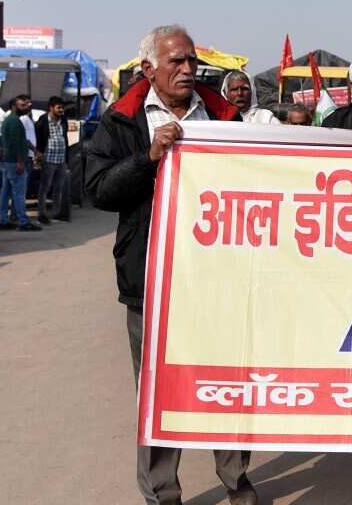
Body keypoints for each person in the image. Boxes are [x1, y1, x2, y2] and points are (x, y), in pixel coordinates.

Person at [86, 25, 257, 505]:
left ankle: (236, 477)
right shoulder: (122, 121)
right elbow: (98, 189)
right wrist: (148, 157)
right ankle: (163, 490)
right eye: (176, 62)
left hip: (216, 276)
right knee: (158, 393)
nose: (187, 70)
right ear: (148, 70)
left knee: (226, 380)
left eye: (191, 62)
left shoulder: (224, 116)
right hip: (150, 279)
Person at [0, 95, 40, 232]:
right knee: (19, 192)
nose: (26, 107)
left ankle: (3, 220)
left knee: (5, 192)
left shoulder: (8, 120)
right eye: (22, 105)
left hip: (8, 162)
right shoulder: (15, 122)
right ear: (14, 106)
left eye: (26, 105)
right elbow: (17, 143)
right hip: (15, 162)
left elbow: (3, 139)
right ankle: (23, 221)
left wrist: (0, 153)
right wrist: (20, 162)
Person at [33, 96, 71, 223]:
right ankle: (41, 214)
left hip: (61, 160)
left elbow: (65, 138)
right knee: (45, 188)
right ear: (51, 108)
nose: (61, 110)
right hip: (48, 160)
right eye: (59, 108)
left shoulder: (63, 120)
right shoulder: (43, 121)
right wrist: (38, 155)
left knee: (59, 188)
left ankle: (57, 213)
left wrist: (67, 160)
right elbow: (37, 139)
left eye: (62, 108)